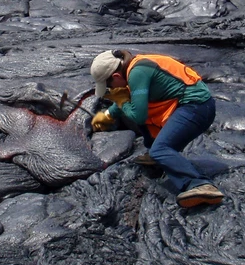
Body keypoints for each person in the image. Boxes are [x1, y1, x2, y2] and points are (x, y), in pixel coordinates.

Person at [90, 49, 224, 209]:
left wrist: (122, 102)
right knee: (143, 117)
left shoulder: (137, 73)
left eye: (108, 86)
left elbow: (137, 114)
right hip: (188, 106)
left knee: (159, 149)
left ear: (116, 76)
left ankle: (199, 184)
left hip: (197, 108)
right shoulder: (132, 68)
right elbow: (131, 98)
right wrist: (107, 114)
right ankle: (157, 155)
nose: (110, 90)